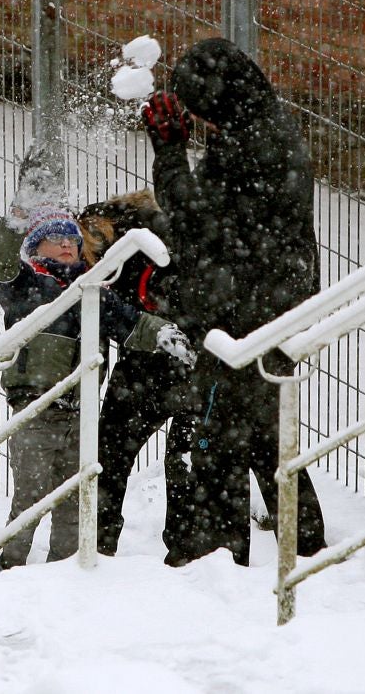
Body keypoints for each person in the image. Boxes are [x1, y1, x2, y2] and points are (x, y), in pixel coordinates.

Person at [142, 36, 327, 566]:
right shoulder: (267, 128)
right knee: (267, 442)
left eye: (201, 112)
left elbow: (196, 223)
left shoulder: (249, 146)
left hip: (244, 316)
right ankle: (307, 551)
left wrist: (171, 153)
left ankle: (218, 560)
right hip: (273, 303)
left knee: (224, 439)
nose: (203, 125)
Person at [0, 152, 196, 569]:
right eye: (55, 239)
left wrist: (165, 333)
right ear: (34, 248)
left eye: (72, 239)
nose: (67, 243)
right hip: (34, 410)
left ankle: (64, 570)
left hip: (80, 414)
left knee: (74, 498)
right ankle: (9, 567)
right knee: (31, 494)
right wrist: (19, 212)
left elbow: (133, 323)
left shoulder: (93, 292)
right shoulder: (26, 286)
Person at [78, 190, 197, 560]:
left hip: (165, 364)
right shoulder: (129, 241)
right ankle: (182, 553)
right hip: (160, 365)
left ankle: (99, 545)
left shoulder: (146, 244)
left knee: (116, 459)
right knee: (182, 462)